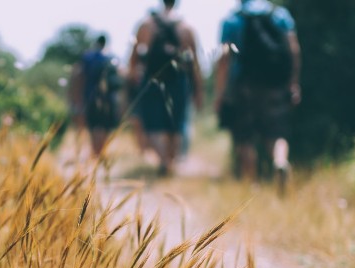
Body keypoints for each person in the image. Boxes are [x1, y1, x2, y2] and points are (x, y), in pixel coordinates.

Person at [214, 0, 301, 192]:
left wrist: (220, 94)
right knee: (276, 131)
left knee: (245, 136)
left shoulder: (232, 20)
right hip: (275, 83)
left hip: (244, 84)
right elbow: (293, 49)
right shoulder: (279, 15)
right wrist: (293, 82)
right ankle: (280, 161)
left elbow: (224, 59)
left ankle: (251, 186)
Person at [129, 0, 204, 176]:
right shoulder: (187, 27)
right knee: (176, 123)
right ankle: (170, 161)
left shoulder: (146, 25)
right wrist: (198, 90)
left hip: (153, 79)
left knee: (155, 123)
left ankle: (163, 160)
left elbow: (133, 57)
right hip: (179, 80)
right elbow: (195, 63)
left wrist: (133, 84)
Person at [69, 35, 122, 157]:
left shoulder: (88, 57)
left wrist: (76, 98)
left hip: (91, 97)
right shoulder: (111, 57)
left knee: (94, 126)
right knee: (105, 126)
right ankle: (101, 151)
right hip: (110, 99)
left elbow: (79, 77)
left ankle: (95, 153)